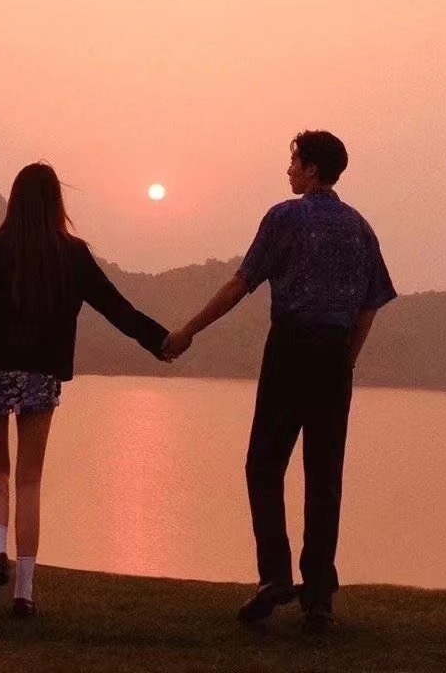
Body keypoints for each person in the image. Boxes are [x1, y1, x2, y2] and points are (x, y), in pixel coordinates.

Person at [162, 130, 396, 633]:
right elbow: (370, 305)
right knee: (324, 475)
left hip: (290, 348)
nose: (288, 170)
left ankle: (275, 578)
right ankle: (318, 597)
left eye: (293, 162)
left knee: (264, 464)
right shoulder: (360, 228)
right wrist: (348, 359)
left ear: (311, 169)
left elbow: (240, 284)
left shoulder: (285, 218)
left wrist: (188, 330)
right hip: (334, 357)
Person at [0, 162, 169, 617]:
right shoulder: (72, 254)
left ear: (14, 200)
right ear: (56, 203)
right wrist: (160, 341)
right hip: (40, 376)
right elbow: (114, 306)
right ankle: (24, 591)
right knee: (29, 480)